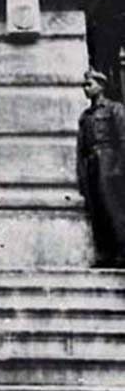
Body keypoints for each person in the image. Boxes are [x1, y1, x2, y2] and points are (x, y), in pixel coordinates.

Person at [77, 69, 125, 267]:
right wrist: (81, 174)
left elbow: (122, 139)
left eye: (90, 85)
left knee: (113, 207)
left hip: (109, 163)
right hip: (92, 164)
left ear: (101, 86)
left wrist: (119, 167)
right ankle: (105, 254)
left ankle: (122, 253)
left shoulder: (115, 109)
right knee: (96, 209)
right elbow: (81, 148)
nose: (86, 89)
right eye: (84, 85)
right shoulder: (85, 116)